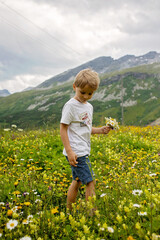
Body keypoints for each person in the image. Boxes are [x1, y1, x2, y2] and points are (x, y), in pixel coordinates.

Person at [60, 68, 111, 211]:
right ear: (74, 87)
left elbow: (85, 128)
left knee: (76, 181)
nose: (86, 96)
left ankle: (69, 211)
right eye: (82, 92)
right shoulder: (70, 105)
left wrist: (100, 130)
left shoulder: (89, 107)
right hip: (77, 152)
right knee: (90, 182)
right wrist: (69, 151)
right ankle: (91, 214)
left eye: (90, 93)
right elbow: (63, 128)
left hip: (82, 149)